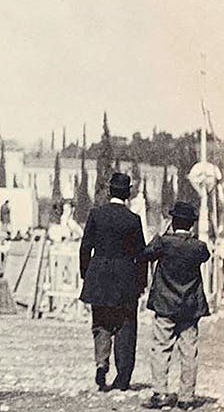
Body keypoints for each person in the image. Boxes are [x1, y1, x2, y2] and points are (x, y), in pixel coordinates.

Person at [78, 171, 147, 392]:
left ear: (109, 191)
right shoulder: (133, 220)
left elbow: (85, 247)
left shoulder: (96, 215)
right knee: (125, 326)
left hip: (99, 276)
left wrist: (86, 274)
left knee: (101, 322)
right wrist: (141, 283)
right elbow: (141, 254)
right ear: (128, 193)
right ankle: (122, 377)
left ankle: (101, 363)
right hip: (125, 278)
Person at [139, 201, 210, 411]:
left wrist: (162, 234)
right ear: (191, 224)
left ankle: (160, 392)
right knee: (189, 351)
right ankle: (186, 397)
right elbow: (205, 256)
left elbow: (145, 254)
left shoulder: (163, 242)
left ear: (173, 221)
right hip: (190, 306)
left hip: (165, 303)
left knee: (161, 348)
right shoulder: (198, 247)